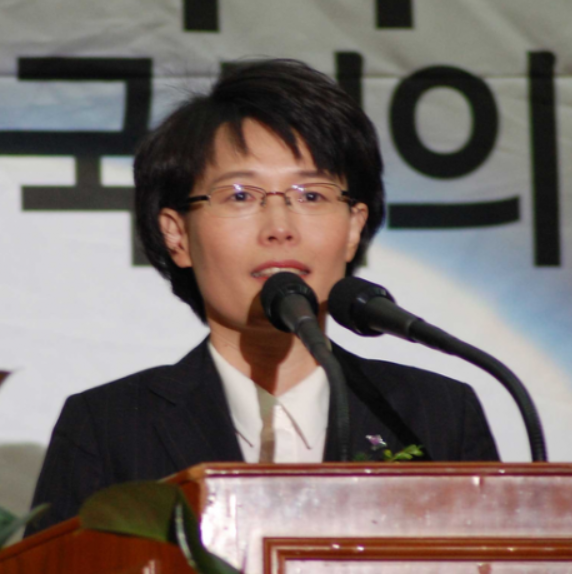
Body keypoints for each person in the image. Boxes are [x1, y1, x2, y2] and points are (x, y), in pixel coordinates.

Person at [26, 59, 498, 535]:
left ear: (354, 227)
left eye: (311, 196)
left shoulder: (439, 413)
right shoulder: (108, 425)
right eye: (240, 196)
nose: (279, 228)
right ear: (177, 235)